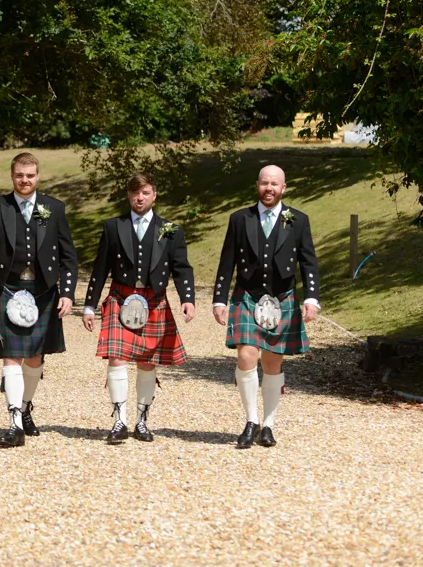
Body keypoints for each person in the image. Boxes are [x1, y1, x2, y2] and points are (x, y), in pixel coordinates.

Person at [0, 152, 79, 447]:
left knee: (34, 358)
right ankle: (14, 422)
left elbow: (69, 255)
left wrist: (67, 293)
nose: (25, 180)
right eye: (20, 175)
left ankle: (26, 405)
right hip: (8, 288)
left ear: (38, 176)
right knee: (12, 356)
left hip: (43, 291)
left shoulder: (54, 208)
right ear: (12, 175)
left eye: (30, 175)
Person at [82, 172, 195, 444]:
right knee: (116, 358)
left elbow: (182, 268)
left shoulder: (171, 230)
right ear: (128, 196)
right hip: (121, 298)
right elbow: (100, 269)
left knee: (147, 362)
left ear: (154, 195)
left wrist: (187, 298)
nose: (140, 198)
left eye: (145, 192)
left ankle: (142, 421)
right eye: (135, 193)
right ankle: (119, 420)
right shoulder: (113, 226)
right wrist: (89, 305)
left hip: (154, 301)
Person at [212, 164, 320, 448]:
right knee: (246, 356)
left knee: (273, 361)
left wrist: (311, 298)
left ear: (283, 188)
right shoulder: (240, 219)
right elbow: (227, 261)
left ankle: (269, 425)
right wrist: (220, 299)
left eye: (274, 184)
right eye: (264, 183)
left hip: (282, 296)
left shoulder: (297, 219)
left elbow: (308, 262)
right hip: (247, 295)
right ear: (257, 185)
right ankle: (251, 421)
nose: (269, 188)